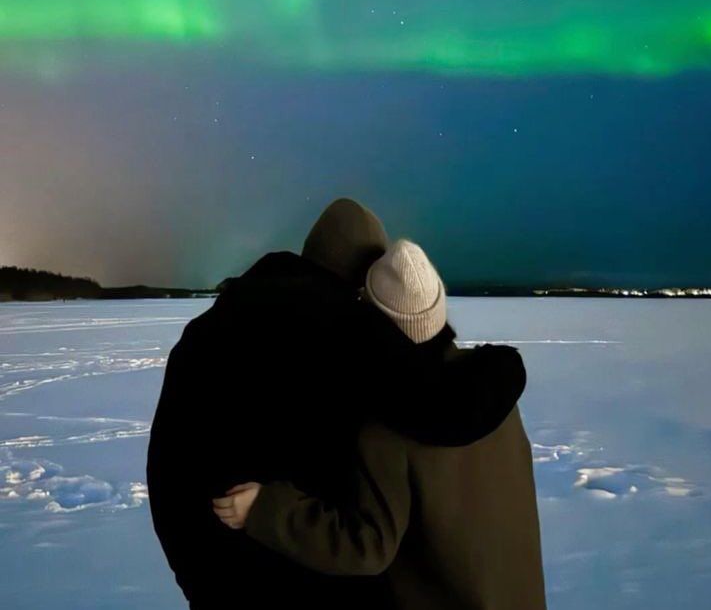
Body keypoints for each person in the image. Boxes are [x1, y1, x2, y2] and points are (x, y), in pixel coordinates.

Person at [147, 200, 526, 609]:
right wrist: (502, 368)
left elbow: (166, 464)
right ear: (364, 278)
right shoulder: (345, 336)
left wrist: (198, 580)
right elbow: (440, 409)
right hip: (307, 579)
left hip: (215, 579)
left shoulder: (202, 335)